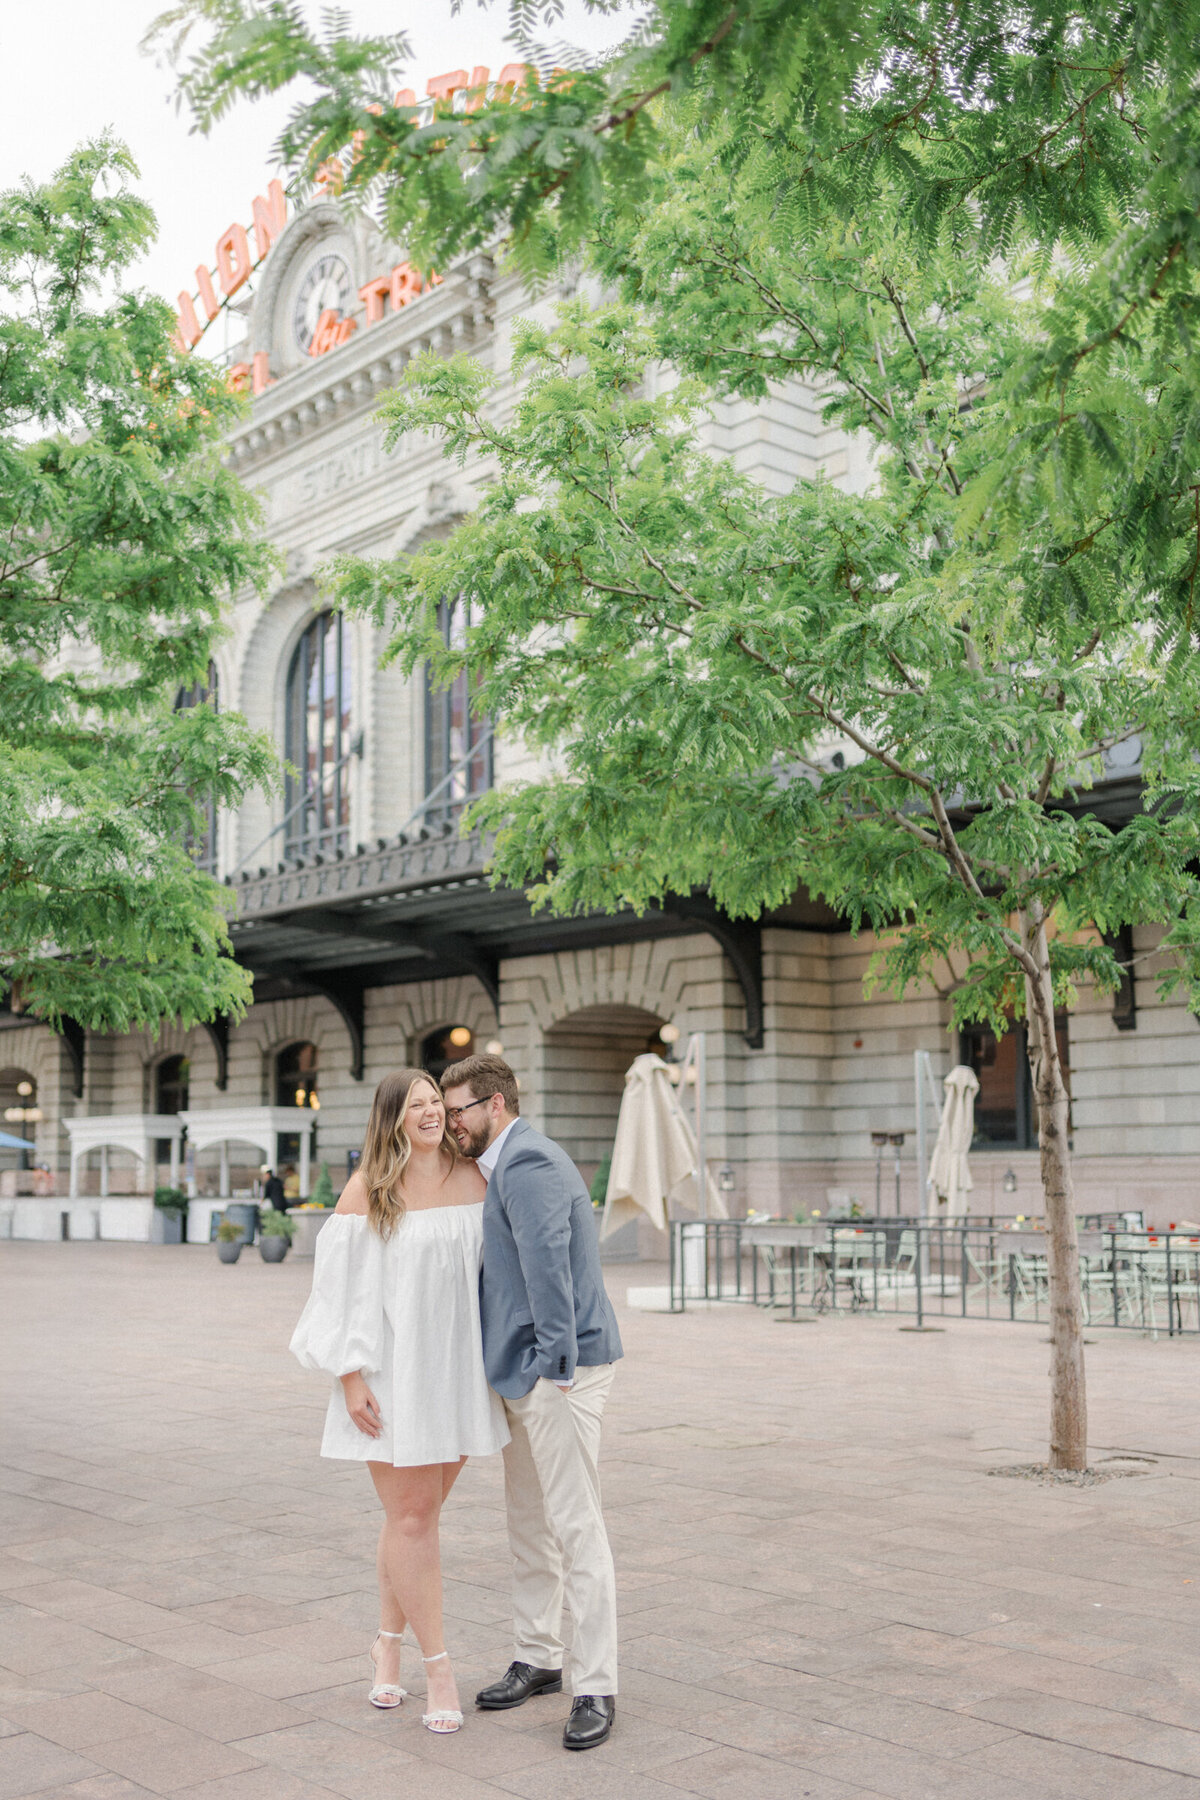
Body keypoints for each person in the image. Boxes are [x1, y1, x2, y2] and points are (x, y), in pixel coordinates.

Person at [289, 1069, 508, 1735]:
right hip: (390, 1379)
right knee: (413, 1522)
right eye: (416, 1104)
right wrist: (350, 1377)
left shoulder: (475, 1180)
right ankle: (437, 1667)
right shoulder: (368, 1193)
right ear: (391, 1118)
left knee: (412, 1522)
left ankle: (386, 1643)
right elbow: (339, 1295)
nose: (432, 1112)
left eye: (436, 1102)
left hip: (459, 1376)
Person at [440, 1053, 623, 1753]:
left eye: (460, 1110)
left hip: (559, 1371)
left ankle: (596, 1684)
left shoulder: (529, 1163)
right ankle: (540, 1655)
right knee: (529, 1519)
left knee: (576, 1524)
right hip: (523, 1372)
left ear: (495, 1104)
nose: (452, 1123)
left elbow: (549, 1263)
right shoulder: (500, 1165)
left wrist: (556, 1365)